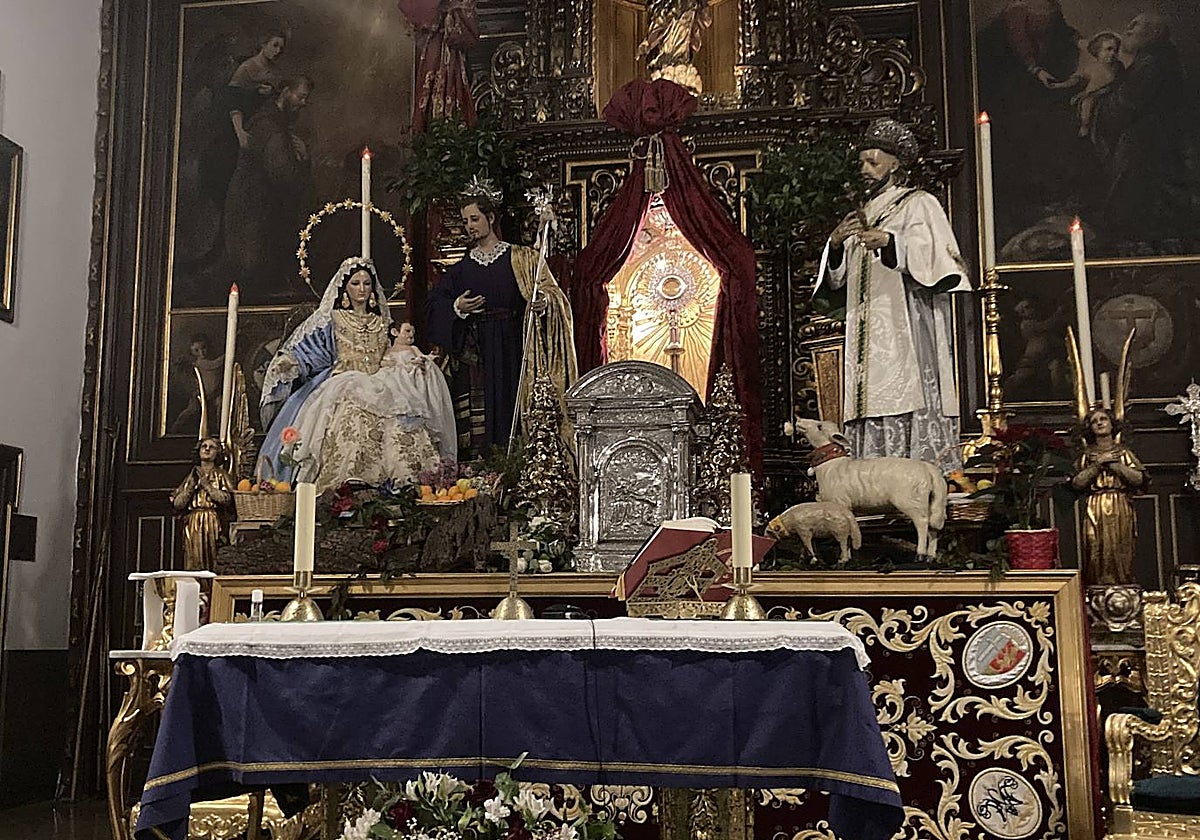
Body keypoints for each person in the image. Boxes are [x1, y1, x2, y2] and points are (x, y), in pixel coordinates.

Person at [815, 118, 972, 473]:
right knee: (869, 397)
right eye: (862, 163)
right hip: (866, 330)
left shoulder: (919, 204)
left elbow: (939, 259)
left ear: (895, 163)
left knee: (905, 389)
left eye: (873, 162)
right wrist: (837, 244)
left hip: (907, 326)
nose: (865, 170)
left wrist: (891, 243)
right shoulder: (860, 213)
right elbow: (836, 284)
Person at [259, 258, 452, 491]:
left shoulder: (383, 323)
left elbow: (392, 355)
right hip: (343, 381)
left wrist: (412, 363)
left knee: (401, 420)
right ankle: (349, 481)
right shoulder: (334, 320)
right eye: (355, 283)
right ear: (344, 288)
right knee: (351, 416)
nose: (361, 289)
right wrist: (291, 364)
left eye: (366, 283)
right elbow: (312, 350)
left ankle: (405, 483)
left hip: (381, 382)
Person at [426, 179, 577, 458]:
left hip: (514, 347)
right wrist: (457, 307)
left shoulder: (521, 258)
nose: (470, 225)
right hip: (478, 351)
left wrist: (543, 302)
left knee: (512, 407)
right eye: (465, 221)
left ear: (490, 218)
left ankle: (516, 468)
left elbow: (553, 295)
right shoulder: (462, 268)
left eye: (474, 218)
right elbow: (435, 305)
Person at [287, 321, 457, 490]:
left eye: (412, 332)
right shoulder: (388, 349)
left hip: (404, 381)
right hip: (386, 377)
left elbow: (422, 359)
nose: (410, 336)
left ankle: (408, 476)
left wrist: (421, 363)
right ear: (395, 332)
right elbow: (382, 362)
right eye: (407, 331)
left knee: (400, 411)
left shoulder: (411, 349)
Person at [223, 75, 314, 293]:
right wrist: (304, 160)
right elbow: (285, 176)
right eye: (301, 97)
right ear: (285, 92)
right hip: (253, 210)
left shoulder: (275, 121)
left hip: (260, 207)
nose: (304, 103)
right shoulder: (270, 126)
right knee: (256, 275)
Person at [1071, 408, 1148, 586]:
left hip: (1119, 504)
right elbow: (1077, 482)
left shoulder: (1123, 453)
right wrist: (1097, 464)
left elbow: (1139, 478)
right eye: (1094, 421)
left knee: (1121, 548)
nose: (1099, 423)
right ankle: (1098, 587)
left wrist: (1114, 464)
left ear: (1112, 424)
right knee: (1095, 549)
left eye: (1103, 419)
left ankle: (1122, 586)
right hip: (1096, 505)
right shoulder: (1087, 456)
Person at [171, 437, 235, 572]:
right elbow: (178, 503)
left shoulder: (221, 475)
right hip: (193, 523)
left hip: (213, 521)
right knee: (194, 559)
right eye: (204, 446)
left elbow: (227, 499)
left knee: (213, 558)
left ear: (217, 453)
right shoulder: (191, 477)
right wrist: (190, 488)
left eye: (212, 447)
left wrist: (207, 486)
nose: (207, 449)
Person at [1046, 31, 1124, 141]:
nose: (1112, 53)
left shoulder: (1118, 67)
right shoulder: (1092, 68)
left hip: (1108, 96)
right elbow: (1076, 79)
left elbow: (1120, 83)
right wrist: (1061, 85)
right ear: (1097, 51)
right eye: (1108, 49)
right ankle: (1084, 126)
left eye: (1115, 50)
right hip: (1090, 96)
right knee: (1087, 102)